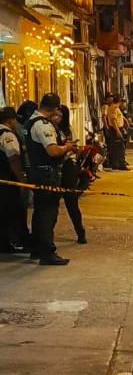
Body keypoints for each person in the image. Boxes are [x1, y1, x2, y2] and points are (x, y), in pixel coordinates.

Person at [24, 93, 76, 265]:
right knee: (48, 213)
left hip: (37, 172)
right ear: (54, 108)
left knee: (40, 212)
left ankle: (37, 248)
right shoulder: (43, 125)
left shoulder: (31, 121)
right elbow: (53, 151)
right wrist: (67, 147)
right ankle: (47, 252)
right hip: (47, 175)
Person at [52, 105, 86, 244]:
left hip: (68, 167)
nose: (56, 118)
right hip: (54, 168)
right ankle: (48, 237)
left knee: (71, 202)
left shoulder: (68, 130)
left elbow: (77, 149)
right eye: (55, 115)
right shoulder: (48, 128)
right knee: (52, 204)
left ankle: (80, 232)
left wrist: (71, 149)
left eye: (59, 115)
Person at [0, 107, 30, 252]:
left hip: (3, 180)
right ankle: (21, 241)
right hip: (9, 180)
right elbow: (13, 159)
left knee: (3, 213)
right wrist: (21, 180)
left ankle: (5, 244)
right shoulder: (7, 135)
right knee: (15, 212)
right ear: (10, 120)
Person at [106, 95, 128, 170]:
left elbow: (119, 117)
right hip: (115, 129)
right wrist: (118, 131)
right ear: (120, 101)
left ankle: (115, 164)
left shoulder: (115, 108)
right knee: (120, 147)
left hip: (117, 129)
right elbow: (113, 120)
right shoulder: (114, 108)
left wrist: (125, 121)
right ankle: (121, 164)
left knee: (116, 147)